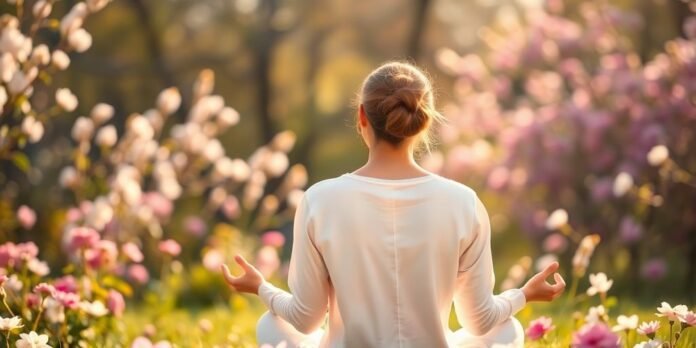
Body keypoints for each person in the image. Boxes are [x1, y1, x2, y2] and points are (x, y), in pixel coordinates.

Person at [221, 61, 566, 348]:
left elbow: (304, 319)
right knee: (508, 330)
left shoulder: (319, 199)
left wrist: (261, 288)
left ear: (362, 117)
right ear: (424, 121)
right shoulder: (463, 202)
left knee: (272, 325)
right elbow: (480, 323)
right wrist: (523, 294)